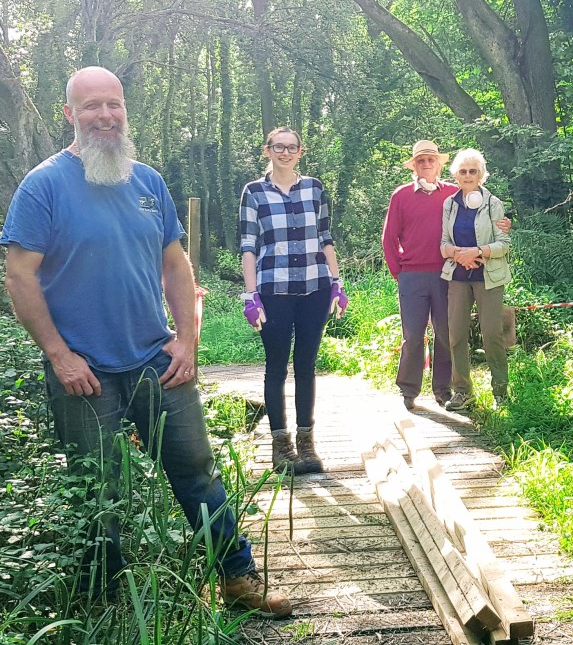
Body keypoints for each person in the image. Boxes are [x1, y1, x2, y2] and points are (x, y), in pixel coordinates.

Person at [0, 66, 290, 617]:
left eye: (113, 104)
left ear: (125, 110)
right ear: (70, 115)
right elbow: (19, 275)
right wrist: (59, 356)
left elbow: (176, 265)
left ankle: (235, 579)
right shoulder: (43, 186)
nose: (105, 115)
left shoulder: (148, 183)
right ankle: (109, 602)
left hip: (157, 361)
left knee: (197, 472)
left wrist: (188, 341)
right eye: (91, 106)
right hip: (84, 372)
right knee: (99, 489)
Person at [239, 127, 346, 475]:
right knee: (276, 367)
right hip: (274, 290)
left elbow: (326, 237)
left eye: (291, 147)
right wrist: (251, 294)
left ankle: (307, 443)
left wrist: (336, 282)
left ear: (300, 152)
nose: (285, 152)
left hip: (314, 287)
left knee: (306, 366)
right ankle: (280, 446)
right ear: (267, 150)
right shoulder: (254, 192)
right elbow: (248, 246)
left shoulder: (314, 188)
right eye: (278, 147)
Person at [381, 140, 510, 411]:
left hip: (445, 274)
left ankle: (443, 389)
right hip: (414, 275)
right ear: (414, 165)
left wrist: (505, 224)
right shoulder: (403, 195)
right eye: (421, 160)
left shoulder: (456, 194)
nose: (426, 164)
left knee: (445, 334)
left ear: (440, 164)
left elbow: (493, 223)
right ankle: (408, 389)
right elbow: (389, 239)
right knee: (413, 335)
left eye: (431, 159)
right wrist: (399, 273)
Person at [440, 148, 512, 411]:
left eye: (473, 171)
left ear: (481, 175)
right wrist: (461, 256)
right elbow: (443, 243)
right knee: (456, 335)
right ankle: (462, 391)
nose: (468, 175)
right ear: (456, 175)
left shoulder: (493, 204)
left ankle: (501, 392)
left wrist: (478, 252)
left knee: (492, 333)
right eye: (463, 171)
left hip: (488, 278)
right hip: (457, 276)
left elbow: (504, 243)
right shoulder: (449, 204)